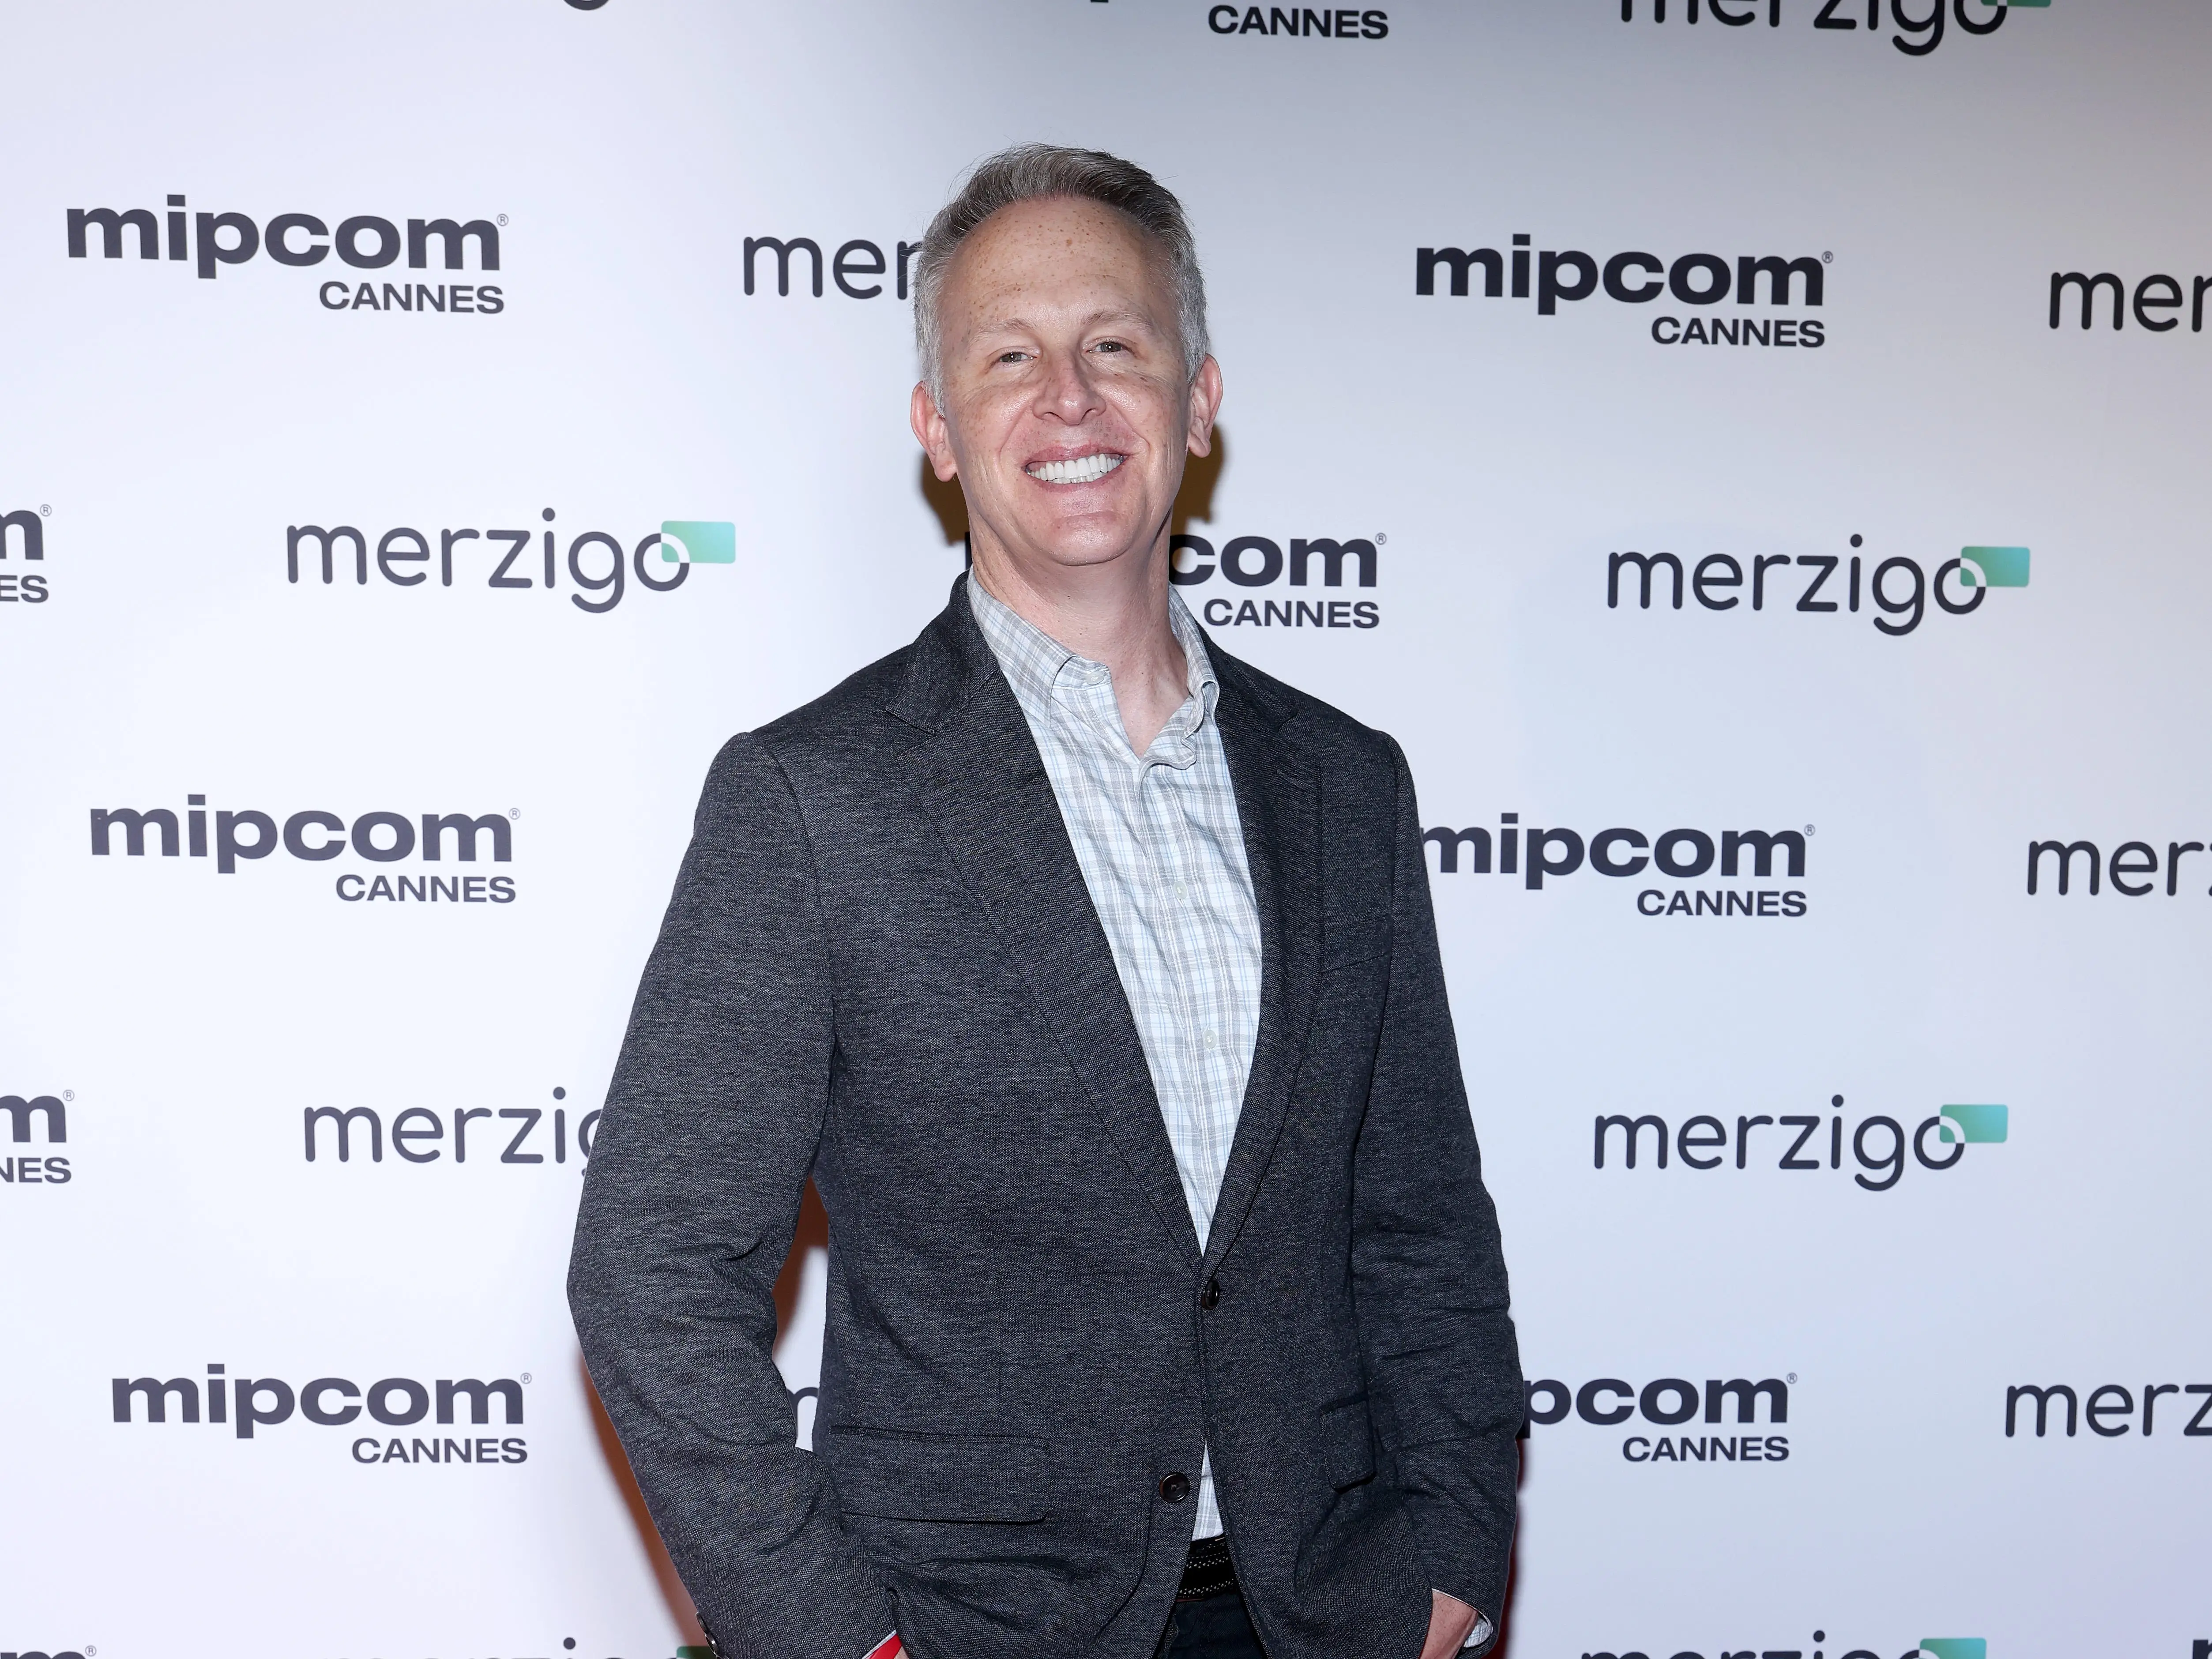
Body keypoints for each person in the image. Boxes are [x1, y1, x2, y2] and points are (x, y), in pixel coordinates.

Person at [568, 143, 1521, 1659]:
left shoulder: (1347, 784)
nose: (1067, 398)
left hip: (1320, 1616)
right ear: (937, 430)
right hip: (961, 1630)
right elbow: (652, 1268)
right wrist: (834, 1639)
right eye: (1007, 355)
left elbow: (1420, 1223)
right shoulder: (811, 798)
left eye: (1115, 345)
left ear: (1196, 400)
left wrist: (1451, 1549)